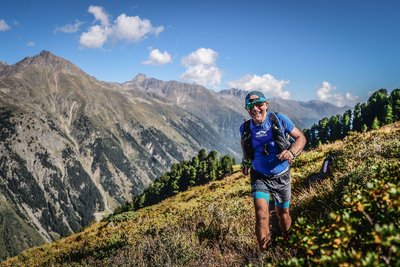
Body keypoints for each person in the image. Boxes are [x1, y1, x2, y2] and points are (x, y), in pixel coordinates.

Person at [239, 90, 306, 250]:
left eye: (259, 105)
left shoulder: (280, 119)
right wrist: (246, 160)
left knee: (283, 215)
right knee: (261, 215)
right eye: (250, 106)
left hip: (282, 176)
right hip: (259, 176)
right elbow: (244, 143)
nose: (255, 109)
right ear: (247, 109)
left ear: (266, 105)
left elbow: (301, 138)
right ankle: (265, 255)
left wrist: (291, 152)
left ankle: (288, 245)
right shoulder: (245, 128)